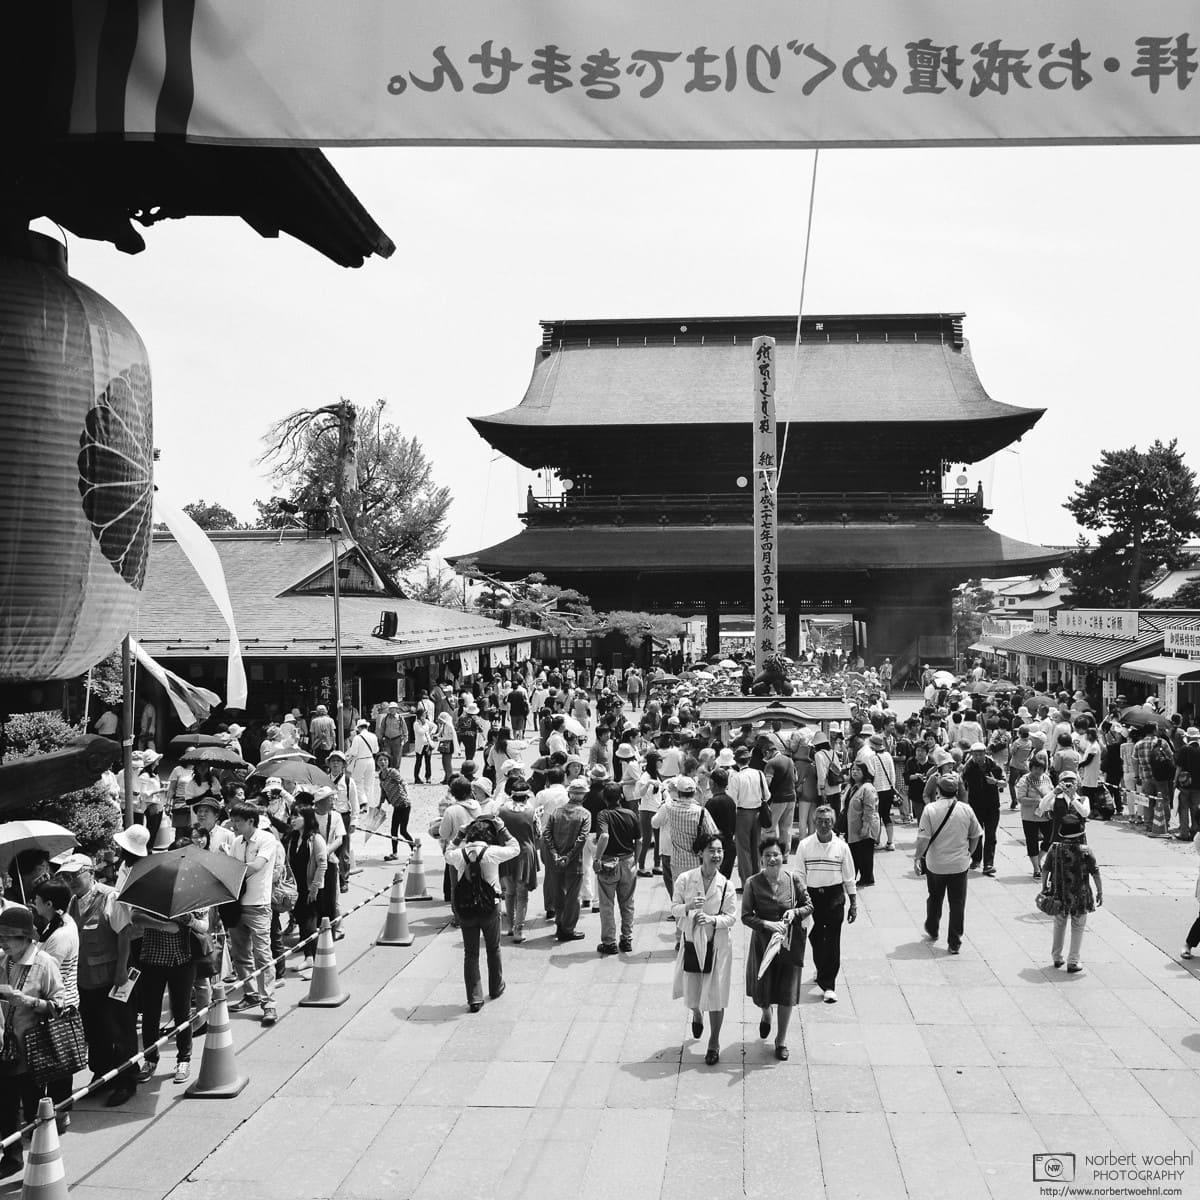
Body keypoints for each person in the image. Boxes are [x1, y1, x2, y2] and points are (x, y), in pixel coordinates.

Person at [59, 853, 139, 1107]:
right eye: (66, 877)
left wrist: (121, 969)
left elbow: (124, 934)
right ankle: (102, 1074)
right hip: (85, 980)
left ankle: (126, 1079)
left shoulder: (109, 897)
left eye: (75, 875)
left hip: (111, 979)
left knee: (120, 1030)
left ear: (91, 872)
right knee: (95, 1031)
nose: (71, 880)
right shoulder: (72, 903)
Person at [0, 905, 65, 1181]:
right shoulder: (3, 961)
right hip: (5, 1048)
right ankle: (12, 1157)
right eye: (1, 937)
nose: (4, 943)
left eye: (10, 937)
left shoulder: (44, 963)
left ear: (27, 938)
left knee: (34, 1108)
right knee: (5, 1106)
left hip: (33, 1050)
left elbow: (60, 1006)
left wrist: (27, 1001)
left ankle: (45, 1164)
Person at [741, 835, 813, 1061]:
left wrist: (795, 912)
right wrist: (766, 924)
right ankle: (766, 1012)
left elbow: (808, 905)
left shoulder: (793, 880)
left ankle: (781, 1040)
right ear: (761, 859)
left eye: (776, 855)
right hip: (763, 945)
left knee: (787, 993)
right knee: (763, 989)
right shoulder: (752, 883)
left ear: (784, 856)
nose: (772, 859)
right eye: (767, 855)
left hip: (788, 945)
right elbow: (745, 916)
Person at [671, 834, 738, 1064]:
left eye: (720, 850)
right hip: (692, 944)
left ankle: (714, 1042)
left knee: (717, 996)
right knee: (693, 991)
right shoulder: (685, 879)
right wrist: (689, 907)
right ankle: (697, 1013)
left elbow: (731, 917)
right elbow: (674, 908)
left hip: (718, 946)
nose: (716, 855)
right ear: (701, 853)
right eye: (712, 850)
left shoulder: (727, 885)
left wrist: (712, 920)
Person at [445, 817, 519, 1012]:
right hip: (489, 906)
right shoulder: (492, 852)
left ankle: (474, 998)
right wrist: (502, 828)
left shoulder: (459, 854)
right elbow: (515, 848)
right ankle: (496, 987)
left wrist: (459, 835)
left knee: (470, 953)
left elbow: (447, 853)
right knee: (493, 948)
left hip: (466, 907)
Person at [794, 805, 858, 1003]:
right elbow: (799, 874)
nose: (823, 825)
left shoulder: (842, 847)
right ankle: (822, 968)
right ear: (814, 823)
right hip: (811, 897)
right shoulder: (805, 845)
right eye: (820, 821)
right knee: (815, 937)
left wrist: (853, 903)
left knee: (832, 940)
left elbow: (849, 877)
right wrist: (801, 898)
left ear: (833, 823)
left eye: (827, 821)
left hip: (834, 897)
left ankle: (828, 985)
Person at [31, 877, 80, 1125]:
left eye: (37, 900)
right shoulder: (60, 923)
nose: (34, 903)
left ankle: (59, 1115)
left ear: (49, 904)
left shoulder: (61, 935)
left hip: (58, 1005)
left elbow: (47, 973)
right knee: (56, 1063)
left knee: (58, 1065)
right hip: (59, 1003)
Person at [915, 774, 982, 954]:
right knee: (957, 903)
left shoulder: (930, 809)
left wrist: (917, 858)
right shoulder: (966, 809)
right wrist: (969, 853)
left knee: (935, 897)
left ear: (938, 790)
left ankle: (932, 927)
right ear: (956, 791)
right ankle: (954, 942)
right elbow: (976, 835)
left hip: (935, 864)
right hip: (959, 865)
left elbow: (923, 839)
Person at [226, 802, 279, 1026]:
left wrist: (232, 869)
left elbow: (257, 866)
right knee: (241, 954)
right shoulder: (236, 842)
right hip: (236, 904)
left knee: (262, 955)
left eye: (238, 821)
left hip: (258, 904)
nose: (234, 825)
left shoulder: (267, 840)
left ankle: (269, 1003)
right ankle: (250, 994)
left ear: (251, 821)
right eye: (233, 821)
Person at [1040, 813, 1102, 973]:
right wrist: (1100, 891)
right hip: (1081, 895)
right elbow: (1095, 872)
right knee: (1078, 926)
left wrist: (1044, 888)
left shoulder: (1055, 848)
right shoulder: (1085, 850)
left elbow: (1045, 870)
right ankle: (1073, 961)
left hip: (1059, 893)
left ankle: (1056, 957)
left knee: (1059, 924)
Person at [593, 781, 641, 954]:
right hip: (628, 861)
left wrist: (597, 859)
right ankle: (626, 939)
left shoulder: (603, 815)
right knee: (627, 903)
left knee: (607, 904)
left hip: (608, 864)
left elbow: (604, 836)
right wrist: (636, 860)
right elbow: (639, 841)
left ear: (605, 799)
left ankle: (609, 942)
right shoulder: (631, 814)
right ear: (621, 796)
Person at [543, 778, 592, 941]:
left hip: (556, 862)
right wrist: (569, 856)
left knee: (559, 895)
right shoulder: (585, 814)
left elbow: (547, 834)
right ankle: (568, 929)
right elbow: (581, 839)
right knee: (573, 897)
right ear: (584, 796)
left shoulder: (557, 811)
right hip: (574, 862)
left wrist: (555, 854)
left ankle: (560, 925)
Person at [285, 806, 328, 982]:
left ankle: (318, 963)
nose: (293, 820)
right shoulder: (293, 838)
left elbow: (322, 864)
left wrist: (315, 888)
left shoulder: (316, 839)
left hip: (311, 889)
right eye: (292, 816)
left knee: (310, 926)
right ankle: (308, 958)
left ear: (307, 818)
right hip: (297, 889)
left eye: (297, 816)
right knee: (302, 924)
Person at [497, 780, 539, 942]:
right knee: (522, 895)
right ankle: (518, 930)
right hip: (524, 854)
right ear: (527, 796)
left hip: (507, 853)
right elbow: (538, 833)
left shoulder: (501, 811)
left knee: (509, 892)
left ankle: (509, 926)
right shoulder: (532, 812)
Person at [963, 742, 1006, 876]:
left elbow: (1004, 782)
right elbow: (962, 785)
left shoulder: (994, 766)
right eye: (975, 755)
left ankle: (988, 863)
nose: (978, 757)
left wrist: (996, 782)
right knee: (976, 834)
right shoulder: (968, 768)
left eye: (980, 754)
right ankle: (976, 859)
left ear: (985, 753)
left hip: (992, 806)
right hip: (975, 806)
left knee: (991, 835)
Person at [730, 746, 769, 890]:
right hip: (757, 813)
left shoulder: (736, 777)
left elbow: (733, 800)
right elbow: (767, 795)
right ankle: (757, 880)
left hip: (742, 814)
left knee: (743, 850)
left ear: (736, 761)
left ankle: (747, 883)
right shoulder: (759, 773)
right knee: (756, 848)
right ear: (749, 759)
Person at [1014, 752, 1054, 878]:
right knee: (1032, 842)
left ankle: (1039, 859)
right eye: (1036, 768)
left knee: (1050, 838)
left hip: (1045, 816)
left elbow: (1052, 792)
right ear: (1031, 768)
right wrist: (1037, 801)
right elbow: (1020, 798)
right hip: (1029, 816)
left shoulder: (1046, 778)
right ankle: (1036, 868)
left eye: (1041, 768)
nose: (1038, 771)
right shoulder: (1025, 780)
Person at [844, 761, 880, 888]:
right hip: (854, 826)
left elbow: (869, 808)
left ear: (864, 772)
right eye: (853, 769)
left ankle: (867, 878)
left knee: (864, 854)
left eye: (858, 770)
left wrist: (865, 826)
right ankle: (854, 877)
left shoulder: (868, 788)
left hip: (865, 826)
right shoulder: (853, 787)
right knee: (855, 852)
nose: (854, 772)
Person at [634, 750, 666, 877]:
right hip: (647, 811)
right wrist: (648, 783)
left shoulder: (656, 775)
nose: (662, 763)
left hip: (657, 810)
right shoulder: (646, 776)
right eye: (660, 760)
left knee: (658, 839)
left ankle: (657, 865)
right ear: (654, 762)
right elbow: (640, 793)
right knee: (647, 840)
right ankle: (641, 867)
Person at [377, 753, 413, 861]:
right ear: (377, 762)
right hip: (396, 806)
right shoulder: (381, 776)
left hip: (404, 804)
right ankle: (394, 853)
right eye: (380, 760)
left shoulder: (393, 772)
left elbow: (403, 783)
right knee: (393, 831)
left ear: (388, 762)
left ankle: (415, 849)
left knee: (403, 831)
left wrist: (408, 795)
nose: (383, 762)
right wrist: (379, 805)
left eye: (385, 760)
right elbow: (383, 792)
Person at [704, 767, 737, 880]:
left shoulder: (711, 803)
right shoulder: (731, 801)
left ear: (713, 783)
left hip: (715, 848)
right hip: (729, 847)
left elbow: (706, 828)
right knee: (724, 882)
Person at [376, 702, 408, 770]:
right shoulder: (385, 718)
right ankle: (388, 771)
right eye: (390, 708)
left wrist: (405, 738)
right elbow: (382, 728)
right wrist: (381, 737)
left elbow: (404, 729)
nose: (392, 710)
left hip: (397, 740)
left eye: (393, 708)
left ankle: (396, 771)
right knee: (387, 756)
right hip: (387, 740)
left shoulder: (400, 718)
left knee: (397, 757)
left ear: (396, 709)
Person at [411, 710, 436, 784]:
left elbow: (435, 726)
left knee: (428, 762)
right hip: (420, 745)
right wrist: (426, 726)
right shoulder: (416, 723)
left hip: (427, 745)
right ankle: (416, 777)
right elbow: (420, 732)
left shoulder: (426, 721)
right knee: (418, 762)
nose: (424, 716)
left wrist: (432, 733)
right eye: (423, 714)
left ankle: (428, 777)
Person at [309, 703, 336, 768]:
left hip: (317, 745)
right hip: (328, 744)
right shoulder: (330, 720)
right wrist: (334, 743)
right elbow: (333, 733)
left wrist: (313, 744)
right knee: (328, 761)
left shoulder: (314, 721)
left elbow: (312, 734)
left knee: (319, 763)